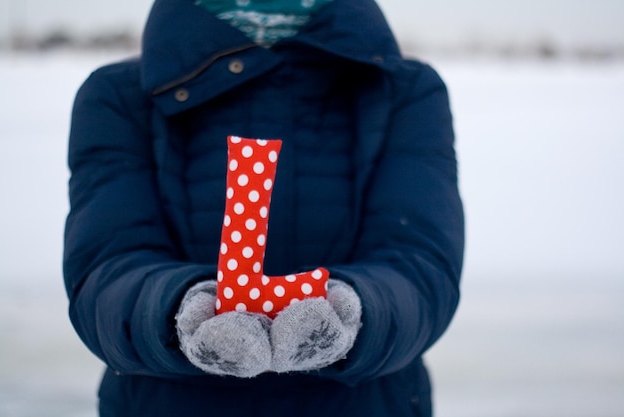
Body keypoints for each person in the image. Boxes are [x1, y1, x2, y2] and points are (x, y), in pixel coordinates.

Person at [63, 0, 464, 416]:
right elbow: (105, 271)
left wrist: (358, 312)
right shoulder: (119, 95)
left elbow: (421, 265)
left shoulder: (403, 89)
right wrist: (174, 312)